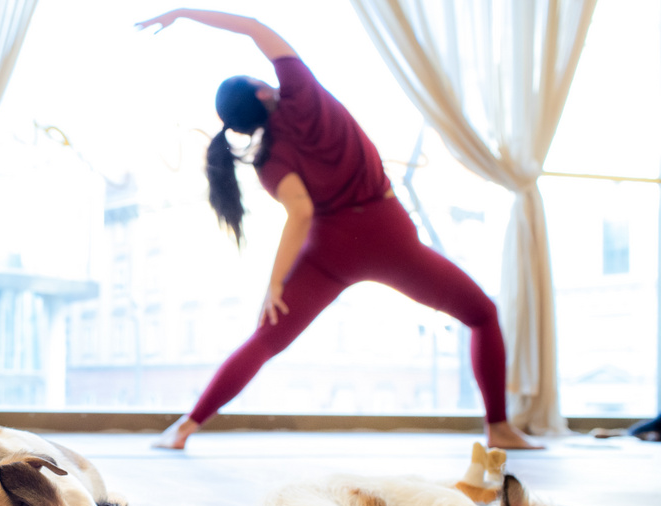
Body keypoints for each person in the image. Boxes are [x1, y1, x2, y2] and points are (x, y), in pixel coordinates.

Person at [137, 8, 542, 451]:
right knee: (482, 313)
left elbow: (301, 212)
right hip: (388, 238)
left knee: (266, 339)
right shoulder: (302, 93)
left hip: (330, 252)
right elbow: (254, 27)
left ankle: (184, 429)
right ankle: (498, 428)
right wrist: (184, 13)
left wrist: (276, 284)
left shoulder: (269, 160)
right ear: (261, 88)